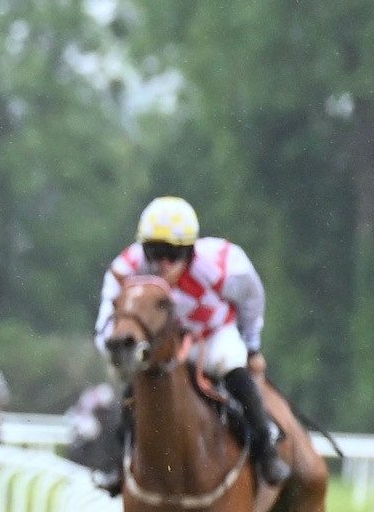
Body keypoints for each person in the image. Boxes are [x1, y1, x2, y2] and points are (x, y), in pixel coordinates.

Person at [90, 195, 290, 495]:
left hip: (212, 335)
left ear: (190, 250)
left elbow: (252, 299)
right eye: (154, 251)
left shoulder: (222, 264)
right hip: (162, 344)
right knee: (132, 391)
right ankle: (118, 466)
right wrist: (116, 352)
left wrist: (252, 346)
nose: (163, 263)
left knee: (234, 371)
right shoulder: (126, 268)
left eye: (172, 253)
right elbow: (107, 319)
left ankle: (266, 452)